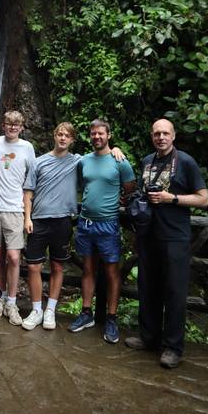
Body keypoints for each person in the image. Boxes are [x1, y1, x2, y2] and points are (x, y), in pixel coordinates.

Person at [21, 123, 125, 332]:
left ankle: (50, 309)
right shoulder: (38, 162)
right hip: (39, 219)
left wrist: (115, 149)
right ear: (54, 135)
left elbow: (100, 157)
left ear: (72, 140)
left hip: (63, 221)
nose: (62, 138)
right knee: (33, 267)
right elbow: (28, 192)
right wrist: (27, 218)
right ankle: (36, 309)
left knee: (58, 266)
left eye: (67, 135)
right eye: (59, 134)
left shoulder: (78, 161)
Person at [125, 118, 208, 369]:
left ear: (173, 136)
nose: (160, 137)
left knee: (174, 291)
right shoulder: (147, 161)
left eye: (165, 133)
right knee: (148, 287)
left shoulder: (185, 162)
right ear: (152, 137)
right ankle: (149, 338)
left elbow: (203, 200)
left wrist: (171, 198)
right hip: (148, 234)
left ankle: (173, 347)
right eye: (156, 133)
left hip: (175, 236)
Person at [68, 118, 136, 344]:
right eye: (93, 134)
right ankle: (86, 313)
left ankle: (111, 318)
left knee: (111, 272)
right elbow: (82, 185)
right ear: (90, 136)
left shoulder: (120, 161)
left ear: (109, 135)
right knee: (87, 269)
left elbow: (130, 188)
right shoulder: (84, 161)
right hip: (86, 223)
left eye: (101, 134)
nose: (97, 137)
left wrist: (120, 201)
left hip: (108, 223)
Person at [0, 110, 35, 326]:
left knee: (13, 257)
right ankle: (2, 296)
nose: (12, 127)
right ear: (3, 125)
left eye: (16, 124)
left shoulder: (27, 148)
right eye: (8, 124)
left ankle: (12, 302)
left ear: (21, 127)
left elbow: (32, 179)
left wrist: (28, 215)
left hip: (15, 208)